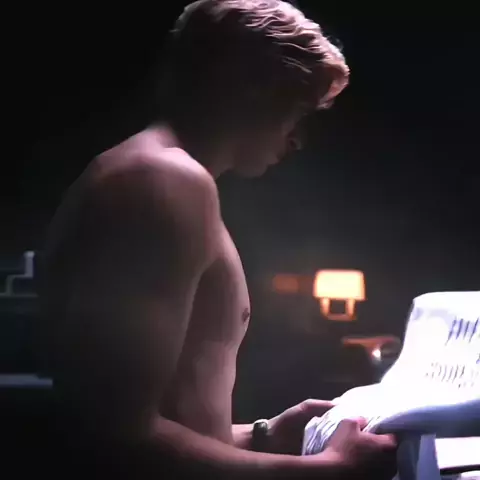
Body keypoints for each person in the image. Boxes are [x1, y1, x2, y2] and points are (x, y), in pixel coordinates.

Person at [39, 1, 397, 478]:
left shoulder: (164, 176)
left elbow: (159, 421)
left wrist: (265, 434)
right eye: (296, 111)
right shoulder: (161, 180)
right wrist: (329, 471)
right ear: (251, 89)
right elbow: (115, 436)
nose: (297, 139)